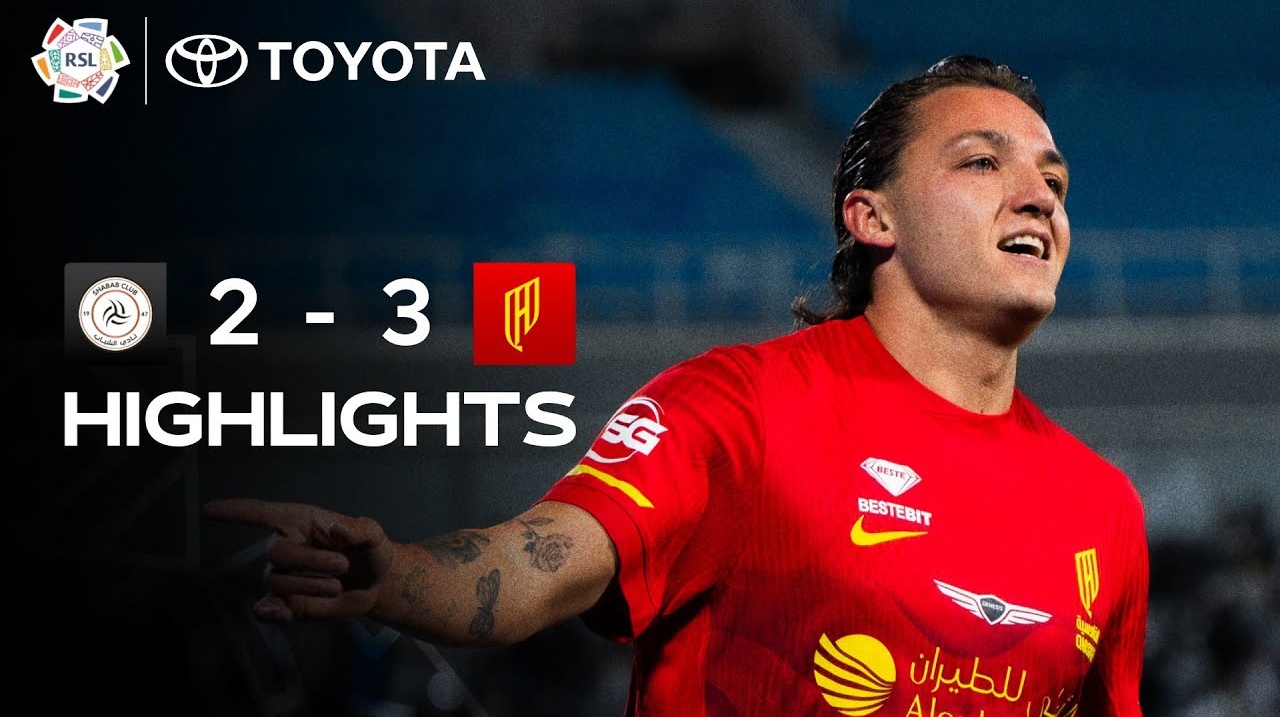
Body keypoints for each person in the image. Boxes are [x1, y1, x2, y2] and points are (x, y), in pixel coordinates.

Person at [207, 56, 1148, 716]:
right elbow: (536, 565)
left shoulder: (1103, 507)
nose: (1040, 196)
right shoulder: (741, 408)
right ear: (872, 218)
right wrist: (397, 576)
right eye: (982, 162)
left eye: (1055, 181)